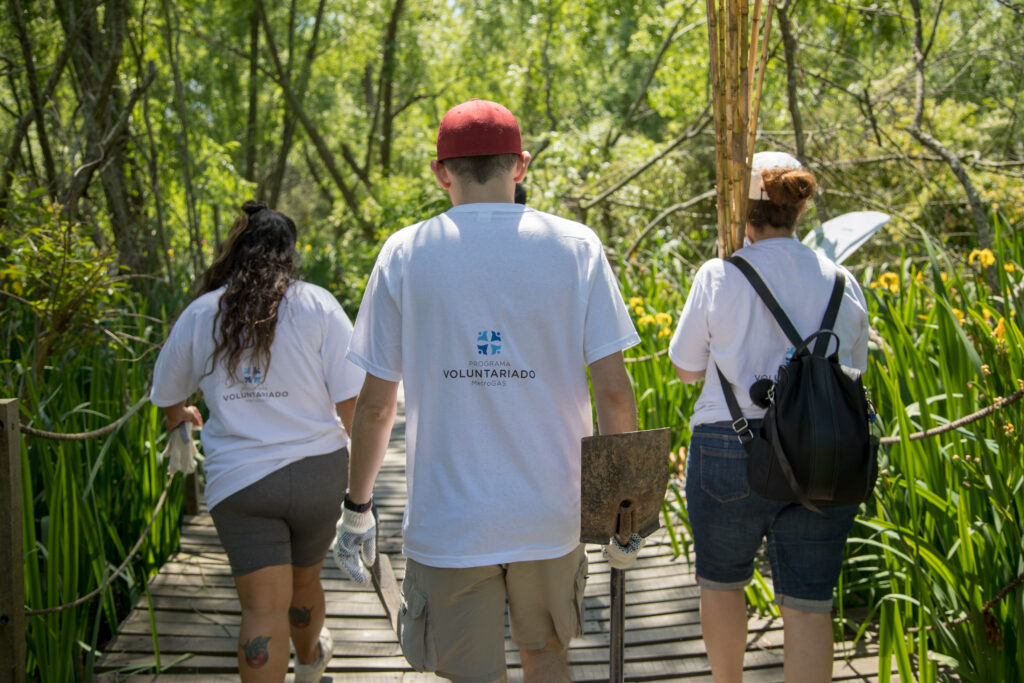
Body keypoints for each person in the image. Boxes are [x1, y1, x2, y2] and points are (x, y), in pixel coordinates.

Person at [333, 99, 641, 682]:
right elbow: (615, 393)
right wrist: (622, 508)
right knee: (547, 658)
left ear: (440, 171)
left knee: (465, 674)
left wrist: (357, 508)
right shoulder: (575, 247)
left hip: (450, 520)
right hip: (551, 514)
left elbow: (376, 406)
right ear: (519, 165)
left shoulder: (406, 252)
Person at [669, 151, 870, 682]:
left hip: (729, 446)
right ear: (796, 207)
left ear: (742, 207)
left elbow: (687, 368)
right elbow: (852, 368)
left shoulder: (720, 273)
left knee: (721, 583)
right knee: (809, 601)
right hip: (823, 452)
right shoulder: (840, 280)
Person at [150, 201, 365, 683]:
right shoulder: (317, 304)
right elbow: (353, 403)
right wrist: (362, 490)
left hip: (242, 484)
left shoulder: (203, 312)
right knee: (306, 580)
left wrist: (180, 417)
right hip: (318, 473)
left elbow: (166, 393)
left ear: (236, 251)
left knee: (262, 610)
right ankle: (310, 666)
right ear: (287, 253)